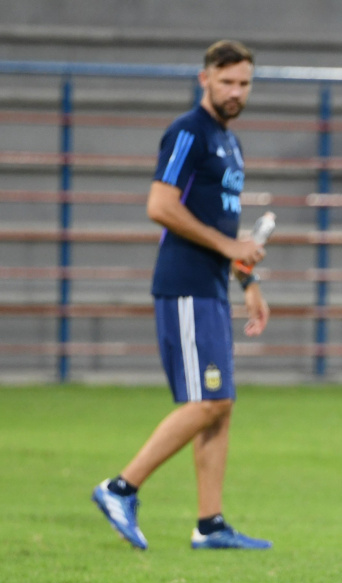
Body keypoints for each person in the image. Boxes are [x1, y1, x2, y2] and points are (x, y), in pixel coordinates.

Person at [91, 40, 272, 550]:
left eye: (245, 83)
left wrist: (247, 279)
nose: (236, 91)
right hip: (185, 286)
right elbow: (160, 205)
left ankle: (210, 524)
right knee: (210, 400)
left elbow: (223, 226)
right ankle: (119, 487)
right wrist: (229, 247)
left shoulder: (230, 143)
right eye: (227, 81)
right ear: (204, 79)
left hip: (212, 287)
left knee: (221, 403)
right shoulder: (188, 132)